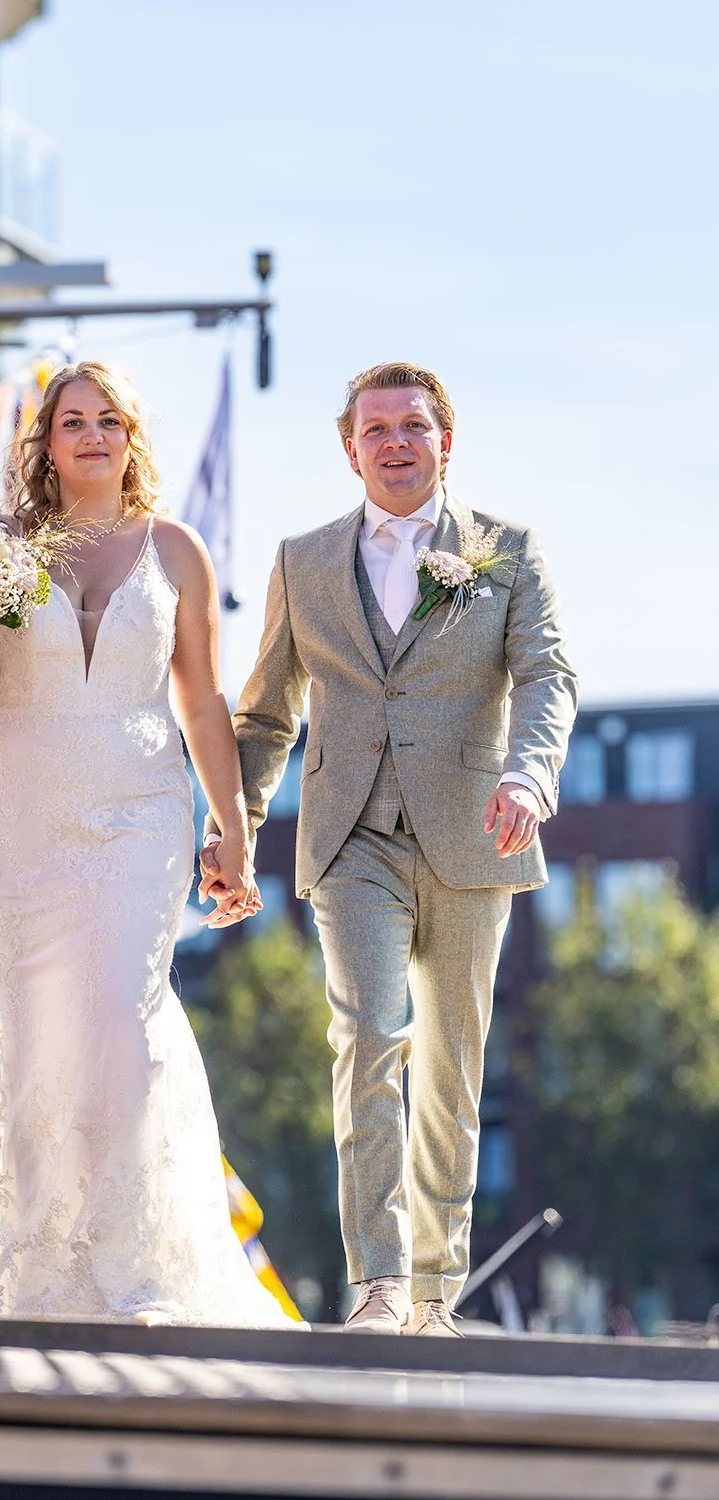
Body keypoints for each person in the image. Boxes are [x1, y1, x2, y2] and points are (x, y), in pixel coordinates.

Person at [0, 361, 292, 1326]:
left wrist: (236, 829)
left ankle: (128, 1264)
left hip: (140, 811)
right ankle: (39, 1262)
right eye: (70, 421)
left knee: (118, 1025)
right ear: (43, 442)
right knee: (39, 1033)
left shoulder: (177, 551)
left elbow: (203, 701)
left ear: (132, 436)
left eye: (108, 420)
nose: (90, 436)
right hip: (19, 813)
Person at [201, 362, 577, 1336]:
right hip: (349, 836)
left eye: (414, 425)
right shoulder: (302, 561)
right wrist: (235, 827)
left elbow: (546, 675)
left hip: (472, 833)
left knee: (451, 1060)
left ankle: (433, 1293)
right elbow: (266, 713)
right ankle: (375, 1283)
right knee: (370, 1034)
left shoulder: (507, 551)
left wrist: (529, 775)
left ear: (444, 440)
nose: (396, 442)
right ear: (350, 447)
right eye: (376, 429)